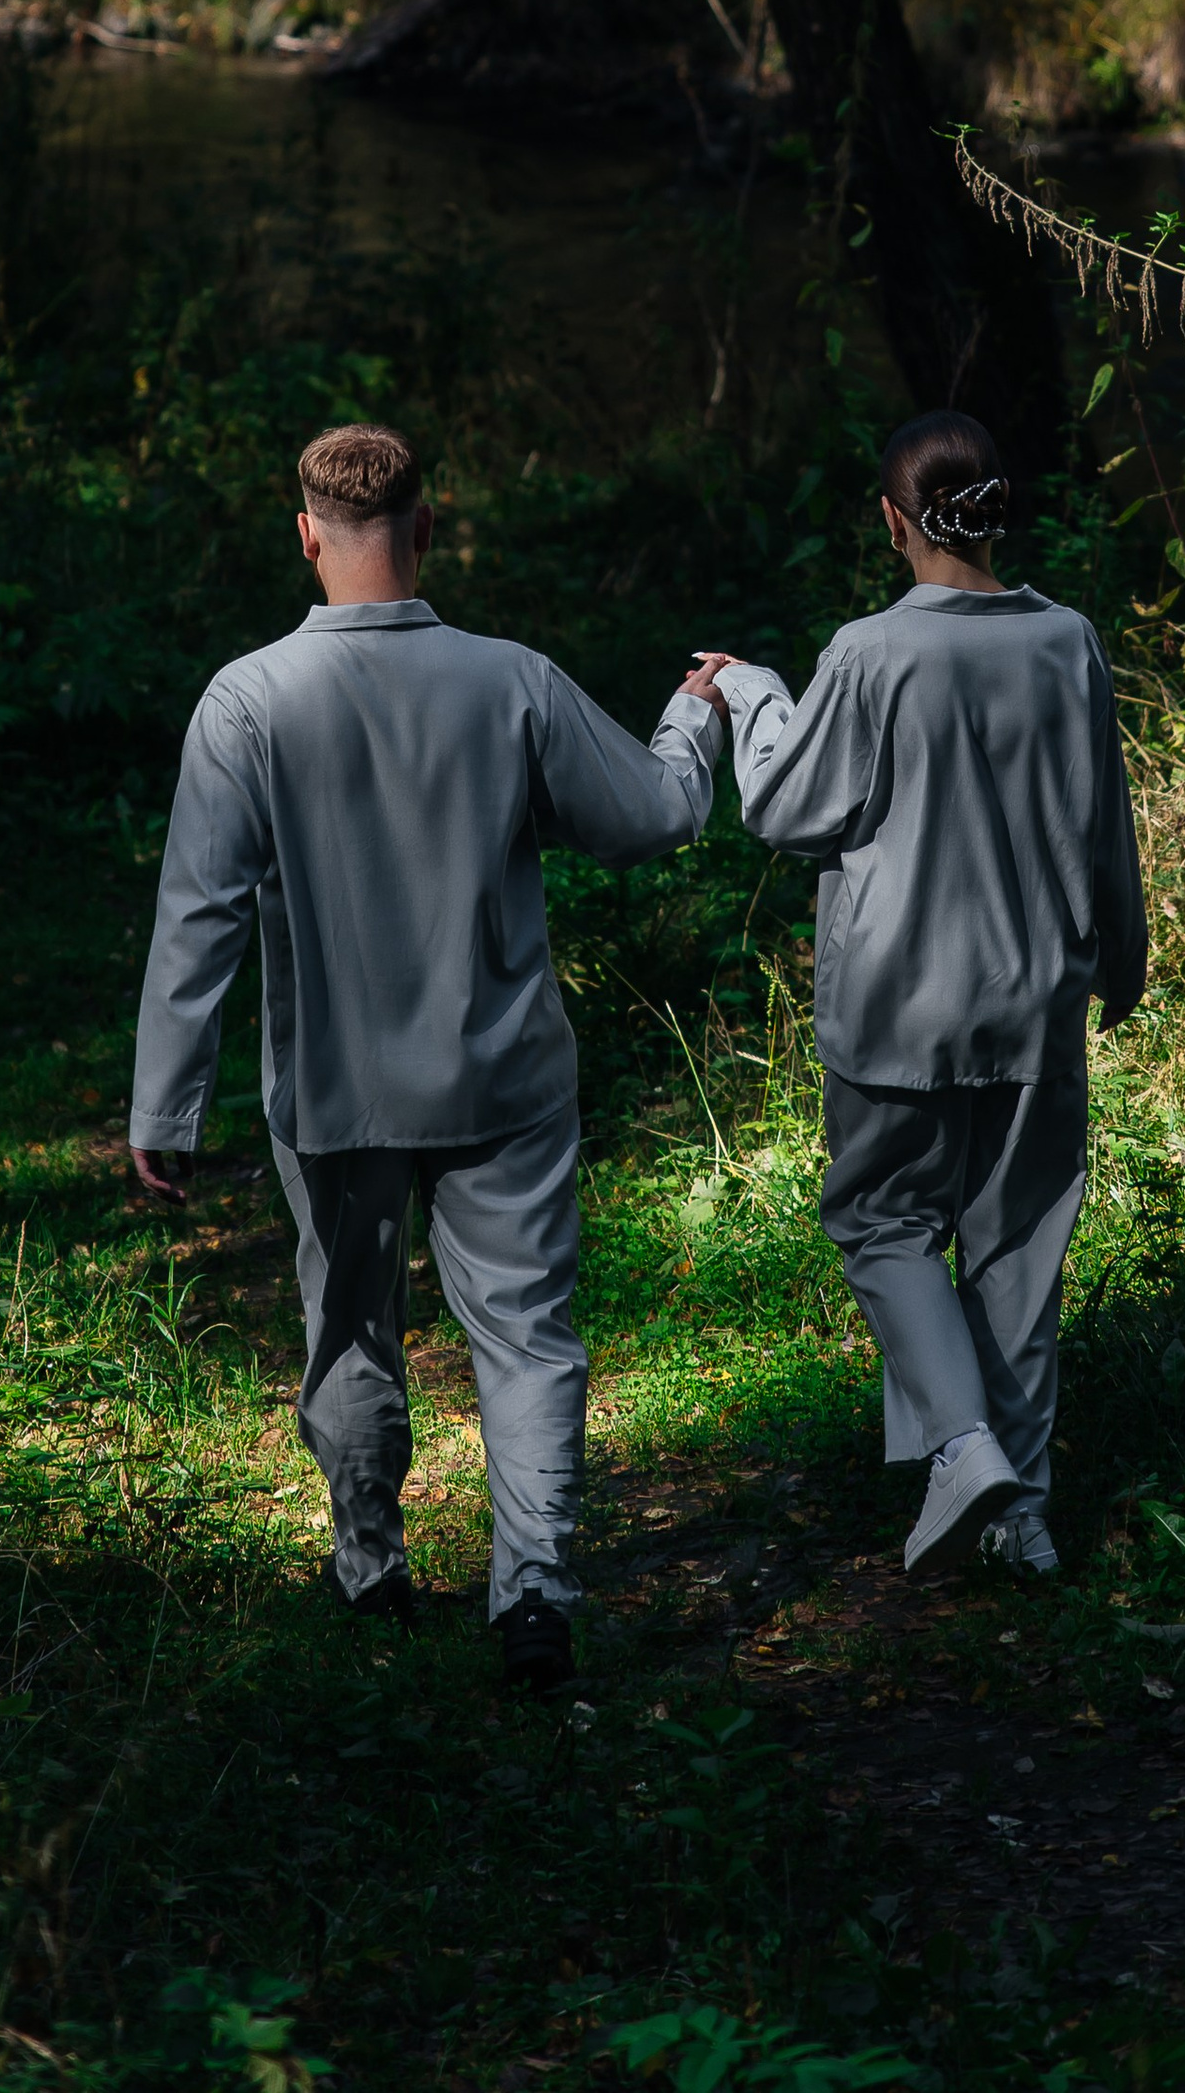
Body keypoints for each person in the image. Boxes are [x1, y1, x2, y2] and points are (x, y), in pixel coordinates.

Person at [127, 421, 726, 1692]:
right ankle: (535, 1599)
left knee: (348, 1329)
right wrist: (692, 715)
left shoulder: (248, 698)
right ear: (430, 526)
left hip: (335, 1091)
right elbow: (656, 814)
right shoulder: (509, 680)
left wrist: (165, 1106)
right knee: (527, 1334)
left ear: (304, 533)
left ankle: (370, 1567)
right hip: (503, 1078)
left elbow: (199, 913)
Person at [694, 410, 1146, 1579]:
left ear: (893, 521)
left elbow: (787, 810)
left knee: (884, 1228)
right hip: (1037, 998)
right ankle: (1021, 1517)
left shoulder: (871, 652)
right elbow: (1107, 823)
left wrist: (752, 696)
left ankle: (960, 1446)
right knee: (1019, 1257)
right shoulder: (1068, 639)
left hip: (897, 1007)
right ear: (997, 511)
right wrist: (1125, 958)